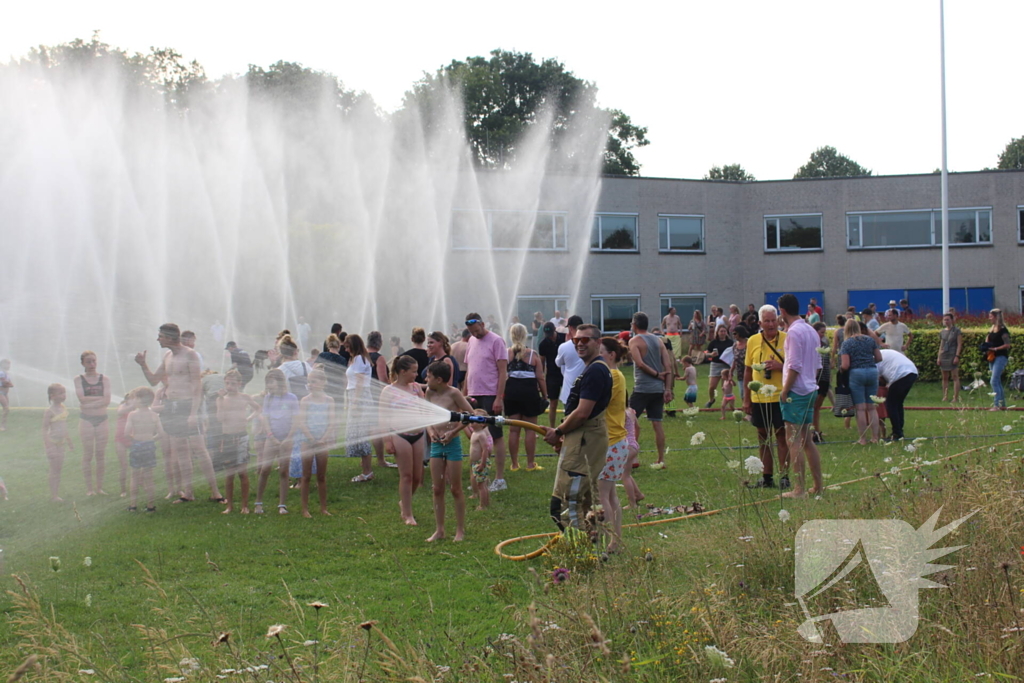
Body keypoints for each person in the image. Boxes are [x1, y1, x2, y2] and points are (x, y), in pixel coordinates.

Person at [135, 323, 224, 503]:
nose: (158, 339)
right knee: (181, 450)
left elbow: (197, 385)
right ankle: (188, 493)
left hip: (188, 405)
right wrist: (143, 365)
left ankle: (215, 492)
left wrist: (193, 413)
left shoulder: (189, 355)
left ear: (169, 337)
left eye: (160, 336)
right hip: (172, 406)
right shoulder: (168, 356)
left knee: (200, 449)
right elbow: (153, 380)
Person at [543, 324, 612, 532]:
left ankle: (580, 555)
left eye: (585, 340)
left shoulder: (595, 371)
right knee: (585, 503)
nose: (580, 344)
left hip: (585, 440)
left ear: (598, 343)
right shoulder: (592, 369)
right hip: (583, 438)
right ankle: (591, 550)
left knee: (565, 505)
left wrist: (558, 432)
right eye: (576, 340)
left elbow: (583, 412)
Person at [777, 294, 823, 499]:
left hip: (797, 391)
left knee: (793, 439)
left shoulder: (794, 333)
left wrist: (785, 390)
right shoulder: (811, 330)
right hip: (811, 387)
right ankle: (818, 485)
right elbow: (818, 364)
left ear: (783, 311)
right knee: (806, 440)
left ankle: (799, 489)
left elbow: (794, 365)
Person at [424, 360, 474, 542]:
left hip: (452, 444)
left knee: (455, 488)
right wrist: (430, 431)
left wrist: (453, 433)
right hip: (436, 444)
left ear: (439, 379)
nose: (425, 379)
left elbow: (470, 414)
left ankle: (460, 530)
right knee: (437, 488)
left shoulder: (454, 393)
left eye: (428, 376)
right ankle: (440, 530)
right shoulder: (429, 392)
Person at [463, 312, 510, 492]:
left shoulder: (497, 341)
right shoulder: (471, 342)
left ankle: (499, 479)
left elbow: (502, 372)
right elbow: (469, 370)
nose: (475, 334)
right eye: (472, 332)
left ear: (483, 324)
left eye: (477, 330)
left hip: (490, 394)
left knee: (495, 436)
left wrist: (499, 397)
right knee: (476, 436)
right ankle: (479, 479)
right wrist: (464, 393)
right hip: (474, 394)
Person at [743, 305, 789, 489]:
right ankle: (766, 477)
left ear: (778, 321)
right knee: (763, 437)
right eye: (767, 321)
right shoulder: (752, 341)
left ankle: (785, 477)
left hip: (780, 396)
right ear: (760, 323)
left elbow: (796, 367)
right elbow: (747, 370)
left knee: (782, 436)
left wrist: (780, 366)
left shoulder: (787, 339)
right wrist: (746, 399)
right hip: (759, 397)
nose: (771, 324)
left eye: (773, 320)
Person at [381, 355, 426, 525]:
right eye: (413, 371)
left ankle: (404, 501)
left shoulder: (415, 388)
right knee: (406, 476)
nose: (416, 375)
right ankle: (407, 513)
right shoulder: (388, 391)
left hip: (419, 434)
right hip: (400, 435)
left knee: (417, 477)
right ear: (402, 371)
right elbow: (382, 417)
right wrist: (387, 440)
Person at [628, 312, 674, 467]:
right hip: (657, 389)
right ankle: (661, 459)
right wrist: (667, 388)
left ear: (634, 325)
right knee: (657, 424)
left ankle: (632, 458)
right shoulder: (659, 341)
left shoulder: (634, 341)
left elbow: (639, 363)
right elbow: (668, 366)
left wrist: (656, 374)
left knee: (630, 421)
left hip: (642, 388)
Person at [597, 336, 629, 553]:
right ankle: (614, 542)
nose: (597, 357)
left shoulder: (614, 376)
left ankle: (604, 539)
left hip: (611, 441)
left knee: (602, 495)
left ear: (611, 355)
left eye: (601, 353)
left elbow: (598, 401)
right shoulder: (614, 375)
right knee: (610, 494)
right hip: (614, 442)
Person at [217, 369, 260, 515]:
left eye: (233, 383)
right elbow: (220, 418)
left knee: (242, 473)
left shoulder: (244, 397)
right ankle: (229, 506)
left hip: (241, 437)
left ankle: (245, 505)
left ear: (239, 384)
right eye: (227, 383)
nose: (230, 386)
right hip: (227, 437)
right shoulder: (221, 399)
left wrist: (248, 419)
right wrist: (221, 400)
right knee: (229, 474)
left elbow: (258, 409)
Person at [504, 323, 546, 472]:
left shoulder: (506, 354)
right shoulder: (532, 355)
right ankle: (530, 463)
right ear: (525, 335)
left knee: (514, 430)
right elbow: (540, 378)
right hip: (529, 392)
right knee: (530, 430)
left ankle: (514, 464)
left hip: (511, 392)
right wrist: (545, 395)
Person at [255, 369, 297, 514]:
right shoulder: (268, 398)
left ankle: (282, 505)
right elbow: (265, 418)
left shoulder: (291, 398)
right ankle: (258, 503)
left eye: (271, 382)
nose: (269, 385)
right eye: (267, 383)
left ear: (280, 382)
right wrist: (270, 435)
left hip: (287, 439)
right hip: (271, 439)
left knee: (284, 471)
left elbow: (296, 420)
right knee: (265, 469)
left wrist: (289, 438)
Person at [297, 367, 334, 518]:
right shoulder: (305, 401)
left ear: (323, 383)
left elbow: (331, 422)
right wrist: (312, 439)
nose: (310, 384)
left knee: (321, 476)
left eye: (313, 381)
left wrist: (323, 439)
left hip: (322, 442)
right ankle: (305, 509)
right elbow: (302, 422)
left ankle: (323, 508)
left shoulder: (329, 400)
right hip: (307, 441)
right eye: (309, 382)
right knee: (306, 476)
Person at [840, 318, 882, 445]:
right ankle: (875, 438)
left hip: (856, 373)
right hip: (872, 372)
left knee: (860, 408)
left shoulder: (847, 343)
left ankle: (863, 439)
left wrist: (841, 370)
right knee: (871, 407)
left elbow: (845, 365)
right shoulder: (869, 339)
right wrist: (868, 363)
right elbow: (879, 357)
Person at [75, 351, 112, 496]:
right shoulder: (78, 379)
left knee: (100, 454)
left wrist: (90, 403)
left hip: (102, 419)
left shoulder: (104, 379)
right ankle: (90, 489)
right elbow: (82, 399)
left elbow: (107, 400)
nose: (92, 364)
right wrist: (98, 401)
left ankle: (99, 488)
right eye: (88, 362)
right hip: (86, 420)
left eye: (94, 361)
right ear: (83, 363)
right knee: (88, 454)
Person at [125, 386, 162, 512]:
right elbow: (161, 433)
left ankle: (133, 505)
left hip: (137, 445)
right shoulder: (154, 415)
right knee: (149, 477)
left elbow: (126, 433)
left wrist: (134, 440)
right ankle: (150, 506)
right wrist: (151, 440)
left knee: (134, 476)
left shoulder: (132, 415)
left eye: (135, 398)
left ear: (140, 399)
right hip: (149, 445)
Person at [345, 334, 376, 482]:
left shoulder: (359, 359)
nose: (346, 349)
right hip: (355, 397)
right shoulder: (357, 359)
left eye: (347, 346)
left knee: (362, 435)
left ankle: (367, 472)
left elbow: (359, 383)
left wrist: (356, 404)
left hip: (360, 399)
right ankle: (365, 467)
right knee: (358, 434)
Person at [365, 331, 395, 470]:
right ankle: (381, 460)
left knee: (368, 427)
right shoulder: (379, 358)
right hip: (377, 396)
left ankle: (365, 460)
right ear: (379, 343)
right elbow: (382, 379)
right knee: (377, 428)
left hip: (364, 395)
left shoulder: (360, 356)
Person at [877, 349, 919, 440]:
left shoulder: (873, 359)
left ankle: (897, 433)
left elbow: (877, 379)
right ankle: (899, 430)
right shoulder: (883, 353)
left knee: (891, 404)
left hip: (900, 374)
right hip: (912, 372)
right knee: (898, 403)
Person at [43, 383, 74, 502]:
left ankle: (56, 493)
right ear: (52, 396)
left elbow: (64, 427)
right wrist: (48, 446)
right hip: (52, 443)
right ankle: (54, 495)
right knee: (53, 469)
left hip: (61, 443)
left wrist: (69, 441)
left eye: (64, 392)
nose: (63, 395)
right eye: (60, 393)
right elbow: (44, 429)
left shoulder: (63, 408)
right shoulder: (49, 411)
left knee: (58, 469)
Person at [538, 322, 564, 428]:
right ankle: (552, 427)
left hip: (565, 373)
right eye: (548, 334)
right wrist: (541, 379)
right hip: (552, 375)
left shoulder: (564, 338)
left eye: (552, 334)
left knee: (570, 400)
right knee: (553, 403)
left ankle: (569, 425)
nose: (550, 337)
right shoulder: (543, 344)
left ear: (555, 330)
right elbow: (542, 363)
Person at [985, 308, 1012, 410]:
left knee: (994, 380)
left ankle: (997, 405)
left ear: (996, 317)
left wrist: (996, 348)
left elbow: (1007, 345)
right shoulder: (992, 329)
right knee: (997, 381)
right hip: (992, 356)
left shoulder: (1003, 330)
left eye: (991, 316)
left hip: (1000, 356)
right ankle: (1002, 404)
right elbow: (989, 339)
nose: (989, 318)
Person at [811, 322, 832, 442]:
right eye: (821, 332)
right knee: (813, 406)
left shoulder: (824, 344)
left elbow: (827, 362)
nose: (823, 335)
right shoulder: (811, 345)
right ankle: (813, 432)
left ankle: (816, 431)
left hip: (824, 378)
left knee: (817, 407)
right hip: (815, 378)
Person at [467, 410, 492, 510]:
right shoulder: (474, 433)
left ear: (482, 423)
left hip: (480, 462)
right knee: (481, 484)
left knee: (482, 485)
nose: (472, 421)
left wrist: (482, 463)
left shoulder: (481, 435)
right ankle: (485, 503)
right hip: (476, 463)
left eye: (475, 420)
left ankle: (483, 505)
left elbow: (485, 449)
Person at [316, 334, 348, 407]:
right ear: (339, 346)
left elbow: (314, 370)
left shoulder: (322, 356)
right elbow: (344, 378)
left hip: (325, 387)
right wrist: (344, 390)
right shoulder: (342, 360)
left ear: (328, 345)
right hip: (338, 389)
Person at [938, 313, 963, 402]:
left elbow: (959, 344)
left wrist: (957, 356)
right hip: (944, 355)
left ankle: (955, 397)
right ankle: (945, 396)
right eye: (945, 320)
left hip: (952, 354)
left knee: (955, 376)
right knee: (944, 377)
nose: (946, 321)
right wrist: (939, 357)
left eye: (948, 319)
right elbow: (941, 345)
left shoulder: (957, 331)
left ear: (952, 320)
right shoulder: (942, 332)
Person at [705, 325, 733, 408]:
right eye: (721, 331)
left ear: (727, 332)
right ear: (717, 332)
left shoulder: (730, 342)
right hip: (715, 364)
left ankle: (725, 403)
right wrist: (711, 355)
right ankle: (711, 399)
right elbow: (706, 354)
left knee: (725, 387)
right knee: (712, 386)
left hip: (726, 365)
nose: (723, 333)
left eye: (724, 331)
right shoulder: (714, 342)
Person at [277, 335, 312, 399]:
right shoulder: (305, 365)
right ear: (295, 352)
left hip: (288, 405)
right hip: (304, 404)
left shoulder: (279, 371)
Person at [0, 359, 11, 431]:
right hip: (1, 392)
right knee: (6, 408)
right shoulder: (1, 373)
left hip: (5, 393)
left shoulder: (6, 373)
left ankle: (3, 425)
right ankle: (2, 426)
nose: (9, 366)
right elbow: (4, 382)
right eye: (7, 364)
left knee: (6, 409)